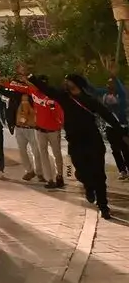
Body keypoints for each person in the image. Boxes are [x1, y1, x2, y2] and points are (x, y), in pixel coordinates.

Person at [50, 74, 129, 220]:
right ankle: (88, 186)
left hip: (94, 142)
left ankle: (103, 206)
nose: (65, 82)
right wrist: (30, 77)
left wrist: (122, 133)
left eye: (68, 80)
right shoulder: (64, 98)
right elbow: (47, 90)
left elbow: (107, 116)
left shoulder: (90, 101)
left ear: (76, 83)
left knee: (99, 175)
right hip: (75, 143)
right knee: (80, 172)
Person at [26, 74, 65, 189]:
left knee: (57, 154)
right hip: (40, 130)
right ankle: (50, 179)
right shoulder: (34, 93)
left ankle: (60, 176)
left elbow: (60, 114)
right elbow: (20, 87)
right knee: (43, 155)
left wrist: (59, 124)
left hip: (53, 131)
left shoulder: (53, 97)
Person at [101, 75, 129, 180]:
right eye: (108, 84)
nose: (109, 85)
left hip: (122, 127)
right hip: (110, 127)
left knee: (125, 149)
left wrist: (115, 77)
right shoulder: (105, 96)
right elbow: (94, 90)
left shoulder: (121, 96)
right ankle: (122, 170)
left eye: (112, 83)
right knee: (115, 150)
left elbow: (121, 91)